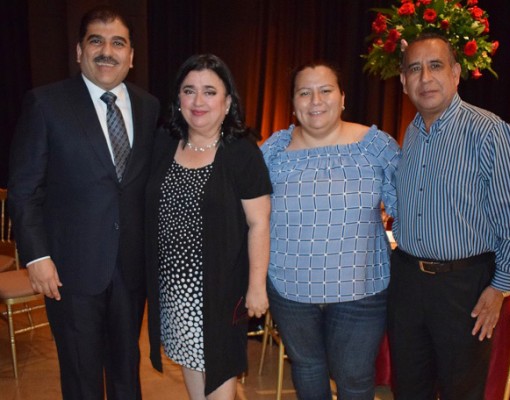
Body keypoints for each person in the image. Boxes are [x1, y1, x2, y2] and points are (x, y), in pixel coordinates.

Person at [8, 6, 159, 399]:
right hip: (70, 272)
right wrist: (37, 257)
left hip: (130, 270)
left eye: (117, 43)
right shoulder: (46, 104)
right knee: (80, 375)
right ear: (79, 51)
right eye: (96, 41)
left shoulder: (149, 107)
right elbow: (24, 190)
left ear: (131, 55)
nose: (106, 51)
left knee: (127, 370)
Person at [388, 33, 510, 400]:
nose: (425, 78)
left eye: (435, 66)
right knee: (409, 386)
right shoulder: (413, 132)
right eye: (415, 69)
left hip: (463, 287)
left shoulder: (489, 132)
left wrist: (499, 288)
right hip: (408, 281)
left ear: (456, 72)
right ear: (404, 82)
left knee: (461, 390)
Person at [261, 62, 401, 400]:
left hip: (362, 288)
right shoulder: (273, 152)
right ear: (294, 104)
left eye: (325, 90)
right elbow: (253, 218)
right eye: (304, 93)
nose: (315, 101)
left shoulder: (376, 146)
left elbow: (408, 210)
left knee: (354, 377)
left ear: (342, 98)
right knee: (307, 368)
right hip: (289, 288)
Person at [145, 53, 272, 400]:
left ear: (228, 101)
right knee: (192, 366)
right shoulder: (165, 143)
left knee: (218, 375)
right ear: (178, 100)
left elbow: (259, 222)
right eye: (189, 91)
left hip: (220, 289)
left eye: (210, 92)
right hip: (174, 289)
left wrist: (256, 287)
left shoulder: (241, 152)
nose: (198, 101)